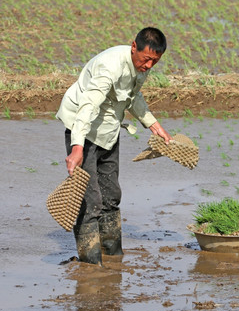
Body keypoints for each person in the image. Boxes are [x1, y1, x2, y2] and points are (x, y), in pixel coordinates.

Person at [56, 27, 172, 265]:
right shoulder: (109, 67)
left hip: (108, 129)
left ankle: (112, 257)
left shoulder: (140, 67)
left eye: (155, 61)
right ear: (133, 47)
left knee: (111, 195)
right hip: (83, 127)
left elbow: (133, 96)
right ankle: (91, 265)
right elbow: (87, 106)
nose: (149, 65)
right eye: (146, 59)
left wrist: (153, 124)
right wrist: (77, 146)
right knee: (91, 199)